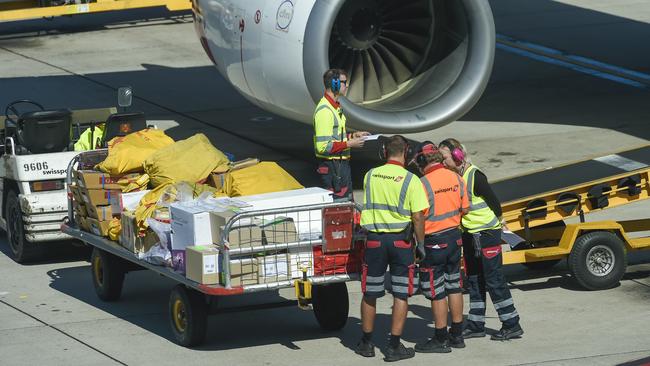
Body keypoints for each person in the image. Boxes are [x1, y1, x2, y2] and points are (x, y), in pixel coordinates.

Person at [438, 138, 523, 341]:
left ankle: (511, 324)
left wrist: (502, 224)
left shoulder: (475, 176)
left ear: (458, 155)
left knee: (494, 280)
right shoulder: (455, 176)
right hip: (469, 235)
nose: (442, 162)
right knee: (474, 280)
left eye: (444, 157)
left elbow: (495, 204)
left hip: (486, 235)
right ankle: (476, 324)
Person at [356, 135, 428, 362]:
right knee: (400, 293)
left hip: (375, 241)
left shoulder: (370, 175)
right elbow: (417, 217)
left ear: (384, 151)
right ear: (406, 153)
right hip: (401, 243)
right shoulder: (411, 180)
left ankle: (366, 343)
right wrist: (421, 245)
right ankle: (394, 346)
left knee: (370, 292)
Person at [410, 141, 469, 353]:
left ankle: (440, 337)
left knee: (436, 292)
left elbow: (417, 216)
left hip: (433, 241)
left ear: (422, 161)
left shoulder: (422, 183)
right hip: (455, 238)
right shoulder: (456, 177)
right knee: (454, 286)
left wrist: (419, 245)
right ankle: (457, 334)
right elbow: (466, 209)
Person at [313, 69, 369, 200]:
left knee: (346, 203)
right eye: (344, 82)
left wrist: (352, 136)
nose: (347, 85)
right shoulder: (325, 111)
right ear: (335, 84)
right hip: (333, 169)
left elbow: (335, 136)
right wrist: (349, 144)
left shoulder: (335, 107)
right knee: (339, 206)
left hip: (339, 167)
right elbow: (323, 147)